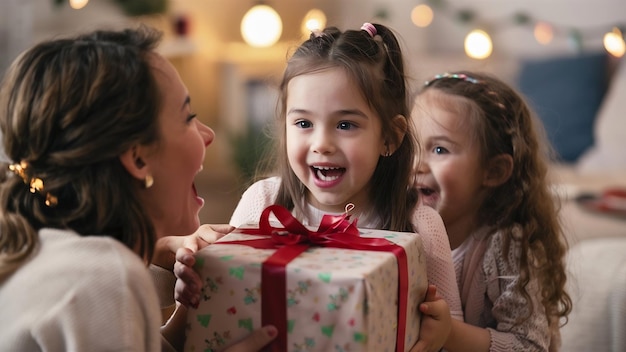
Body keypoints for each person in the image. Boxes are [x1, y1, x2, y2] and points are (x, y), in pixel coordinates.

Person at [174, 23, 463, 351]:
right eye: (303, 123)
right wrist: (196, 290)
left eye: (345, 125)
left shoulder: (421, 224)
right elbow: (226, 300)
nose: (321, 143)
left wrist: (441, 333)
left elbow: (452, 325)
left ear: (389, 138)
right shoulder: (264, 202)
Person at [0, 26, 275, 351]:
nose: (208, 134)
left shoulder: (52, 253)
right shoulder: (102, 278)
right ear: (138, 158)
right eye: (189, 117)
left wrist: (194, 305)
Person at [411, 71, 572, 351]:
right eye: (409, 146)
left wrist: (450, 333)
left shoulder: (505, 247)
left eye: (439, 150)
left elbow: (531, 345)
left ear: (493, 171)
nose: (417, 165)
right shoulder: (400, 228)